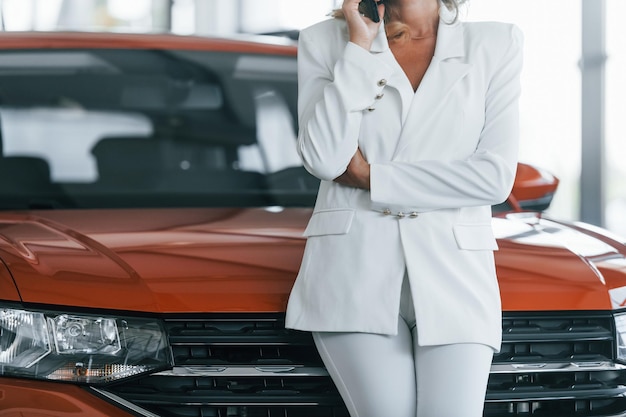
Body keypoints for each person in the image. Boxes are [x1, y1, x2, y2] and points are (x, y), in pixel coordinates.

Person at [285, 0, 523, 415]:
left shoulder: (495, 43)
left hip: (456, 273)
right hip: (350, 269)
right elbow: (323, 158)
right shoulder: (325, 41)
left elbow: (493, 178)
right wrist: (359, 49)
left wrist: (372, 178)